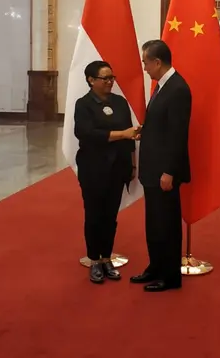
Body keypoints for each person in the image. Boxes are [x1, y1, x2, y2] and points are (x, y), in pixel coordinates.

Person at [130, 39, 192, 292]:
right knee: (154, 222)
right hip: (152, 169)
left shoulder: (178, 89)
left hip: (165, 171)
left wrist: (169, 171)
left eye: (146, 62)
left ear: (157, 62)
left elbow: (178, 135)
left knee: (166, 223)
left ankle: (170, 277)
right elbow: (163, 124)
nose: (144, 68)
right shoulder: (162, 85)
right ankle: (155, 266)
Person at [73, 60, 139, 284]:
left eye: (112, 77)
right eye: (106, 78)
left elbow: (130, 137)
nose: (111, 82)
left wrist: (132, 164)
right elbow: (86, 134)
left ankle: (106, 257)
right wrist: (121, 134)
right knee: (94, 215)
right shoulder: (83, 105)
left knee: (111, 216)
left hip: (118, 167)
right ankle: (94, 260)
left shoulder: (120, 102)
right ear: (91, 80)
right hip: (93, 168)